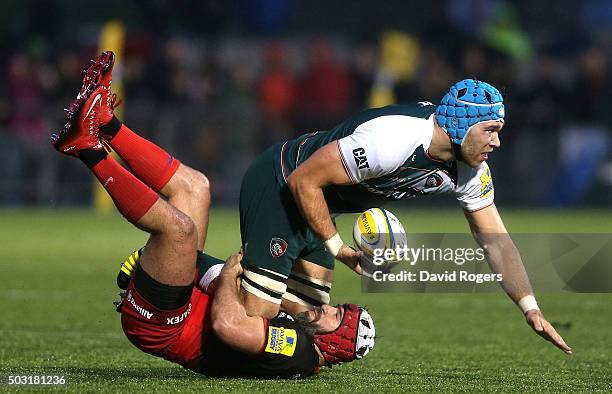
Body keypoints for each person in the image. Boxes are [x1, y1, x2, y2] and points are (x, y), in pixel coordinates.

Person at [51, 51, 376, 378]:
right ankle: (107, 123)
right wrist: (198, 269)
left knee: (179, 232)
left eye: (337, 316)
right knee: (195, 187)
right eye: (337, 308)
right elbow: (230, 284)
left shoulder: (298, 350)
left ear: (337, 342)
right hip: (183, 299)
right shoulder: (302, 328)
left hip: (164, 326)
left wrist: (227, 277)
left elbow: (226, 325)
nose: (327, 308)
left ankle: (88, 150)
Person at [238, 77, 573, 355]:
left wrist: (530, 308)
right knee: (256, 314)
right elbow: (304, 180)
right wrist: (337, 248)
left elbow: (496, 244)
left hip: (319, 204)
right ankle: (204, 280)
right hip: (281, 181)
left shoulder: (471, 172)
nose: (497, 142)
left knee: (310, 319)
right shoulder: (393, 140)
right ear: (460, 125)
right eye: (490, 130)